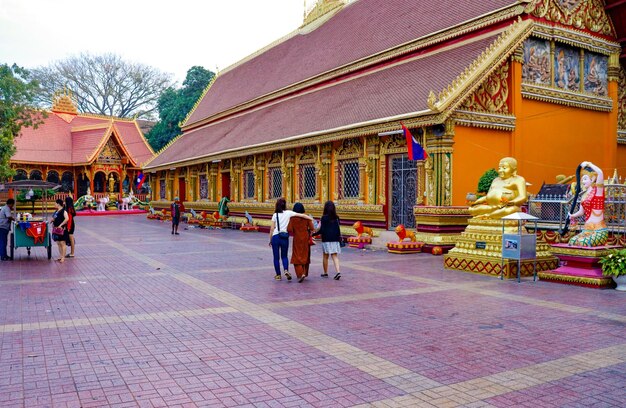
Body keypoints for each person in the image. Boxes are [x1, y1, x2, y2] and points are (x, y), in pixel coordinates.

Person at [268, 197, 313, 281]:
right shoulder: (289, 213)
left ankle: (278, 275)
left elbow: (271, 229)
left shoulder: (275, 215)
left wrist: (270, 240)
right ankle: (286, 270)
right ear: (285, 205)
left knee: (276, 257)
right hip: (284, 237)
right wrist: (310, 218)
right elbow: (301, 215)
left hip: (276, 237)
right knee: (284, 256)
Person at [567, 161, 608, 247]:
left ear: (592, 178)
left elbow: (600, 172)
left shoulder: (598, 191)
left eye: (585, 178)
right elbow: (581, 212)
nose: (583, 181)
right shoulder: (584, 195)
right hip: (587, 229)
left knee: (583, 242)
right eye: (582, 180)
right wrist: (572, 215)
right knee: (572, 241)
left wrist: (589, 164)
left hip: (599, 230)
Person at [313, 200, 342, 280]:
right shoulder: (337, 217)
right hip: (335, 239)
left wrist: (313, 234)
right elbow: (338, 229)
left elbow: (322, 230)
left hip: (326, 239)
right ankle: (338, 271)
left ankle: (325, 272)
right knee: (334, 256)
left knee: (325, 256)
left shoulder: (324, 218)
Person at [287, 202, 315, 283]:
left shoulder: (292, 218)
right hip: (306, 238)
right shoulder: (306, 218)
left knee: (297, 256)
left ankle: (300, 274)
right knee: (305, 255)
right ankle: (304, 273)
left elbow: (289, 229)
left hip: (297, 239)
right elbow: (312, 228)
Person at [51, 198, 69, 263]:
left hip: (62, 229)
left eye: (55, 203)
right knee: (58, 243)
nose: (54, 205)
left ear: (58, 204)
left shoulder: (63, 211)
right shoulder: (56, 211)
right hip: (56, 229)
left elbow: (67, 219)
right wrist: (52, 221)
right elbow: (54, 218)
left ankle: (63, 257)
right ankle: (61, 256)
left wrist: (61, 225)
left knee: (62, 243)